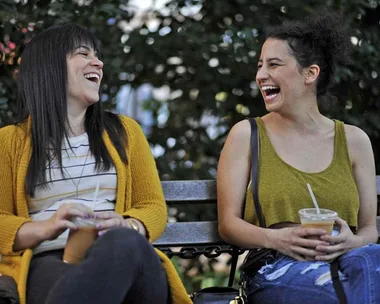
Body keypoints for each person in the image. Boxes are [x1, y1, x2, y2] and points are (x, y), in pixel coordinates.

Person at [0, 23, 191, 304]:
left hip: (130, 261)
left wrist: (128, 225)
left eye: (97, 55)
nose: (98, 62)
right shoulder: (9, 142)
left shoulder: (125, 132)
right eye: (83, 53)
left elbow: (152, 206)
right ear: (49, 66)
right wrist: (47, 227)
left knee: (124, 243)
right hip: (50, 263)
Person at [217, 12, 380, 304]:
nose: (261, 75)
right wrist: (277, 239)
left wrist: (352, 241)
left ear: (310, 73)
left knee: (372, 260)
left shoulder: (355, 141)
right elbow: (228, 224)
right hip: (276, 265)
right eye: (260, 66)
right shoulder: (246, 135)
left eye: (274, 64)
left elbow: (369, 230)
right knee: (338, 294)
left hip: (349, 262)